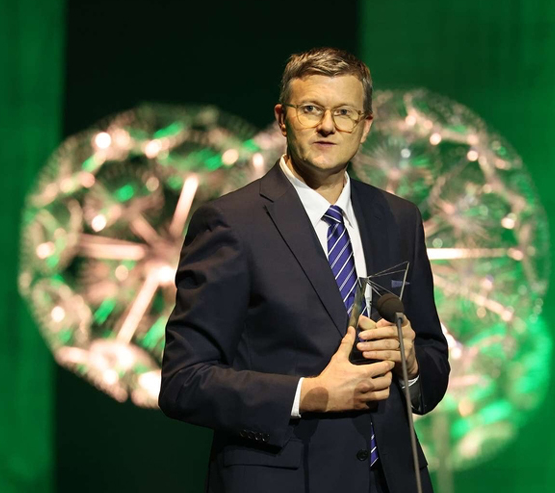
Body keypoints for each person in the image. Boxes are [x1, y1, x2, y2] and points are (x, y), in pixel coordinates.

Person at [159, 47, 450, 493]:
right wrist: (309, 394)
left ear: (365, 125)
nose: (327, 126)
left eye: (345, 113)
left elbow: (430, 360)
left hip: (395, 481)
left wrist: (410, 362)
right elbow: (184, 382)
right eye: (311, 109)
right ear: (282, 118)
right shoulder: (231, 223)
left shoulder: (399, 218)